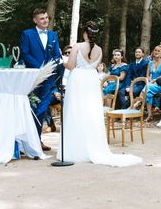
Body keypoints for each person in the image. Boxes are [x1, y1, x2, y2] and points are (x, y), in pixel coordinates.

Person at [60, 21, 141, 166]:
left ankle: (75, 149)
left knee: (75, 112)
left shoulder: (77, 46)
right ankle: (92, 147)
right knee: (90, 113)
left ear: (85, 32)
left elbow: (71, 66)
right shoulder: (100, 50)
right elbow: (95, 66)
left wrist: (63, 60)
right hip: (91, 80)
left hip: (78, 79)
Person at [20, 8, 62, 150]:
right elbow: (25, 54)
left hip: (48, 79)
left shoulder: (53, 35)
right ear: (35, 20)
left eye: (46, 18)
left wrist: (50, 68)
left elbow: (57, 55)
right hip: (32, 78)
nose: (45, 20)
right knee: (31, 109)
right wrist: (40, 69)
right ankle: (28, 142)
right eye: (42, 18)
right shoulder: (27, 34)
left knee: (42, 110)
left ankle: (37, 141)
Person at [143, 45, 161, 122]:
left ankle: (137, 101)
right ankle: (150, 115)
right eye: (155, 50)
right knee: (149, 93)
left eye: (158, 51)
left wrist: (154, 81)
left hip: (160, 85)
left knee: (148, 88)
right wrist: (150, 80)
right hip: (151, 84)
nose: (156, 52)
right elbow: (147, 74)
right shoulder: (150, 63)